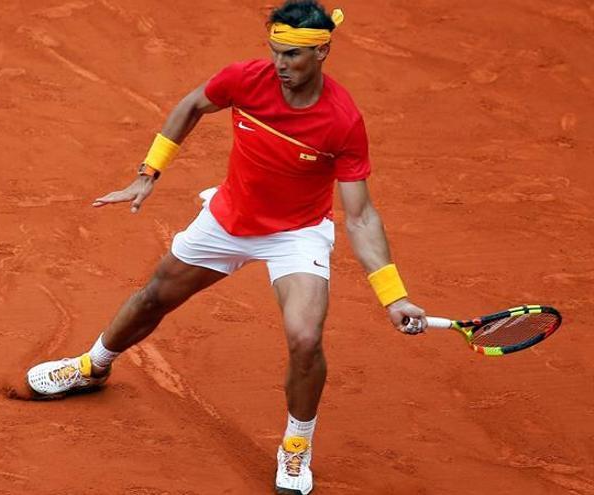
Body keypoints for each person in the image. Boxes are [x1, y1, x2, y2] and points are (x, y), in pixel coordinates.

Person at [25, 1, 427, 493]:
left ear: (322, 52)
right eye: (275, 52)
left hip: (295, 234)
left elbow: (361, 215)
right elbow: (193, 104)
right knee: (155, 296)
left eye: (292, 57)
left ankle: (296, 445)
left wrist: (393, 295)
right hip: (229, 219)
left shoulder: (341, 121)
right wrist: (147, 173)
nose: (280, 65)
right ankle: (92, 367)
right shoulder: (246, 79)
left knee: (305, 337)